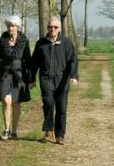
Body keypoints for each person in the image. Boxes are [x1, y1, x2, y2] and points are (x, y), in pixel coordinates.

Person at [30, 17, 79, 145]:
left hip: (62, 79)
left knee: (61, 108)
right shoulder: (41, 43)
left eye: (55, 27)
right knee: (48, 104)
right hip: (46, 78)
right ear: (47, 28)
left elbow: (73, 60)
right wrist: (31, 79)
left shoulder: (66, 43)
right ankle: (48, 130)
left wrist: (74, 76)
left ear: (59, 29)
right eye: (50, 27)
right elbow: (34, 63)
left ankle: (60, 135)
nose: (52, 29)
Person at [0, 15, 34, 140]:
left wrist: (31, 78)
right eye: (8, 26)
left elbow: (28, 59)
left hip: (19, 75)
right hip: (5, 74)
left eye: (12, 26)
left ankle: (14, 131)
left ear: (17, 27)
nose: (10, 28)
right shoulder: (3, 40)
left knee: (16, 103)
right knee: (6, 101)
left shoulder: (24, 40)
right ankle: (6, 129)